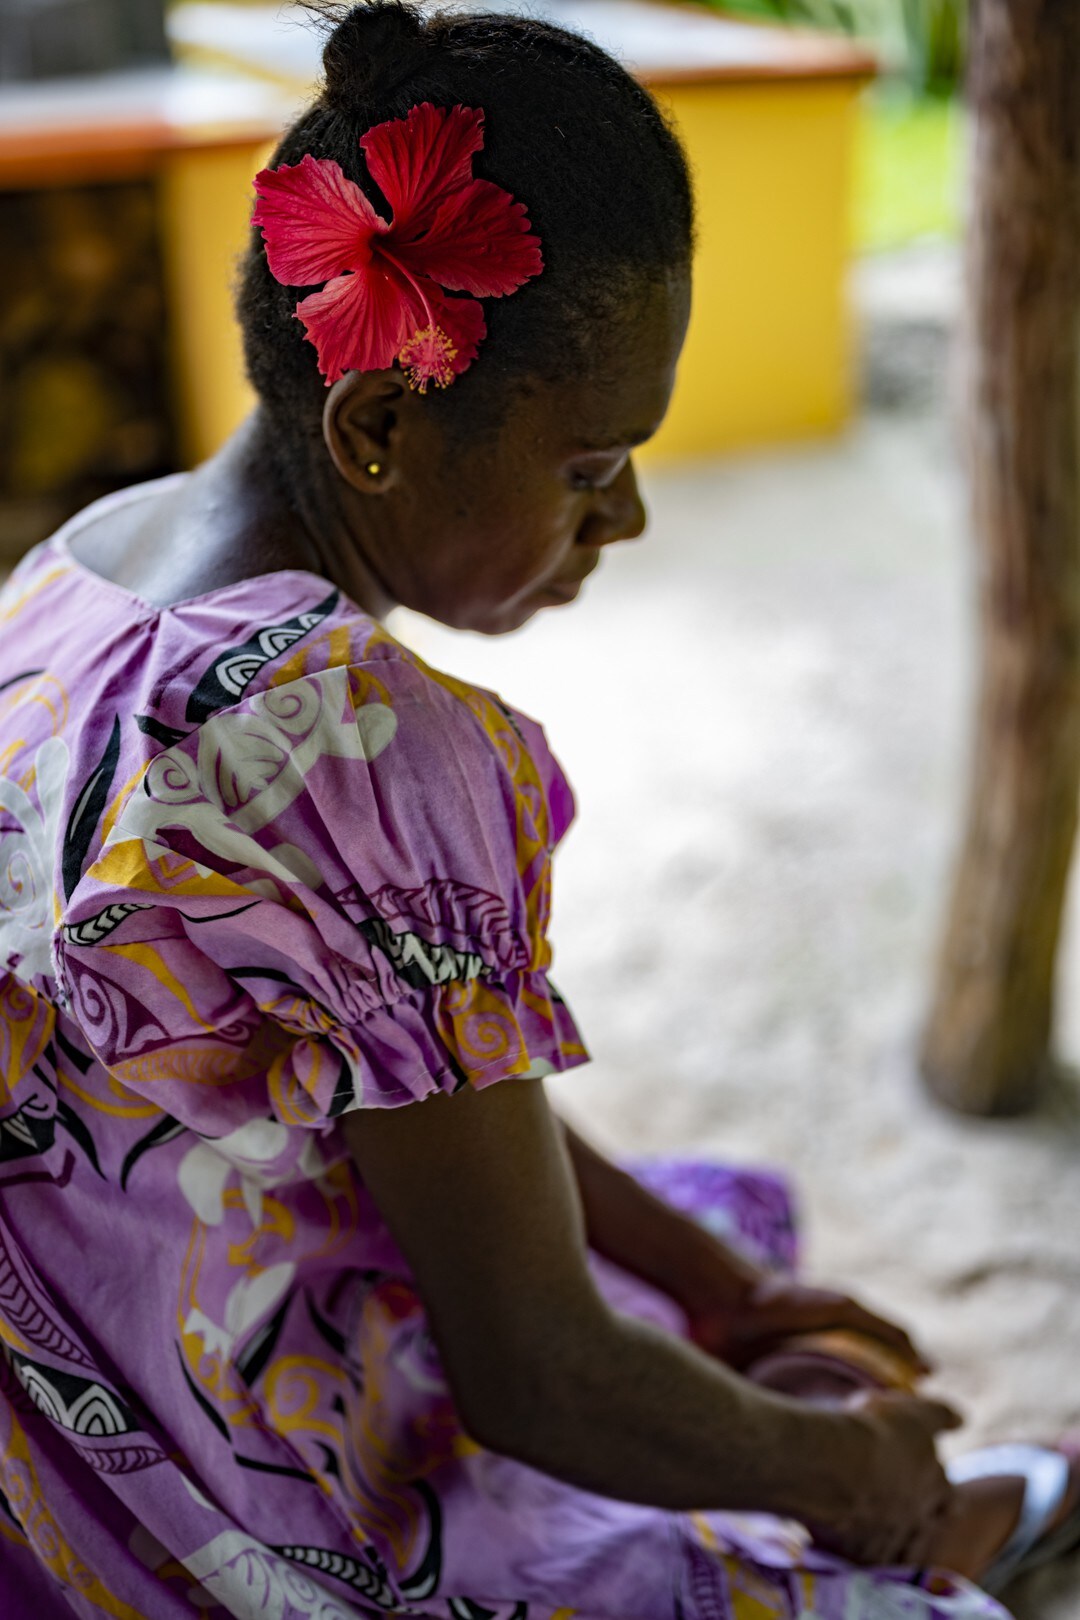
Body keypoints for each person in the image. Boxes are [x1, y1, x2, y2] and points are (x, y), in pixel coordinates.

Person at [0, 3, 1076, 1615]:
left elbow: (398, 1070)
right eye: (589, 468)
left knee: (695, 1255)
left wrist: (719, 1290)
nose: (626, 515)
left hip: (51, 1403)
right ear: (377, 429)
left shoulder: (84, 564)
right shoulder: (357, 746)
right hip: (186, 1491)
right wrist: (865, 1478)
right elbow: (541, 1377)